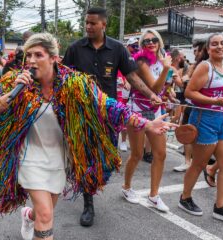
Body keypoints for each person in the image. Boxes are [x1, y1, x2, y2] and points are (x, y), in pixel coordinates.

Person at [0, 32, 175, 240]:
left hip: (59, 158)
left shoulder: (75, 84)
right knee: (46, 214)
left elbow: (109, 106)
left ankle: (28, 215)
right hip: (28, 157)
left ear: (54, 58)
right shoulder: (15, 82)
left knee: (44, 211)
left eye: (38, 55)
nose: (31, 60)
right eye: (29, 55)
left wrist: (146, 123)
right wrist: (13, 93)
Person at [62, 7, 160, 227]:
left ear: (103, 25)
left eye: (93, 23)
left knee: (106, 158)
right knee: (87, 157)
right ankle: (88, 204)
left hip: (109, 114)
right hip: (82, 115)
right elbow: (63, 79)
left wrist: (151, 94)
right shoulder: (75, 48)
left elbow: (132, 77)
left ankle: (87, 178)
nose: (88, 26)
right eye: (86, 22)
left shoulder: (117, 48)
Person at [179, 33, 223, 225]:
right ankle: (185, 198)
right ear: (208, 48)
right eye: (215, 44)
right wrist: (216, 100)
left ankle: (220, 207)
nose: (220, 47)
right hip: (205, 119)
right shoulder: (205, 66)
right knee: (199, 163)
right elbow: (189, 92)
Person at [122, 29, 172, 212]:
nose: (150, 43)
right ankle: (126, 187)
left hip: (156, 111)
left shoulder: (162, 59)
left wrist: (170, 93)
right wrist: (166, 69)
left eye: (154, 40)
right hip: (138, 111)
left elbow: (162, 88)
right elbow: (154, 87)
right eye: (146, 41)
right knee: (137, 154)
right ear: (142, 45)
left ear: (159, 42)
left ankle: (154, 195)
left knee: (160, 153)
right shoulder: (141, 61)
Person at [173, 40, 207, 172]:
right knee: (187, 133)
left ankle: (200, 163)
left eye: (197, 51)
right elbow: (184, 83)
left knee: (202, 136)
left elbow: (186, 82)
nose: (195, 54)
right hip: (190, 104)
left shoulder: (207, 66)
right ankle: (188, 162)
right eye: (194, 51)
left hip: (203, 107)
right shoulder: (193, 66)